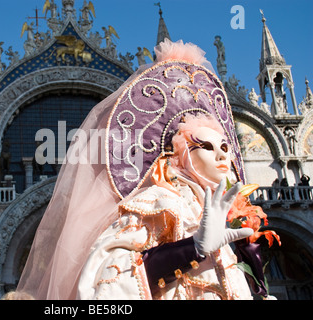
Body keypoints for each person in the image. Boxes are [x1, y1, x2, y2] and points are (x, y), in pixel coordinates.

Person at [16, 39, 278, 300]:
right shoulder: (158, 204)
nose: (222, 154)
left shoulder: (231, 215)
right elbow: (109, 280)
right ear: (181, 155)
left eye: (225, 146)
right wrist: (192, 249)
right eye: (206, 146)